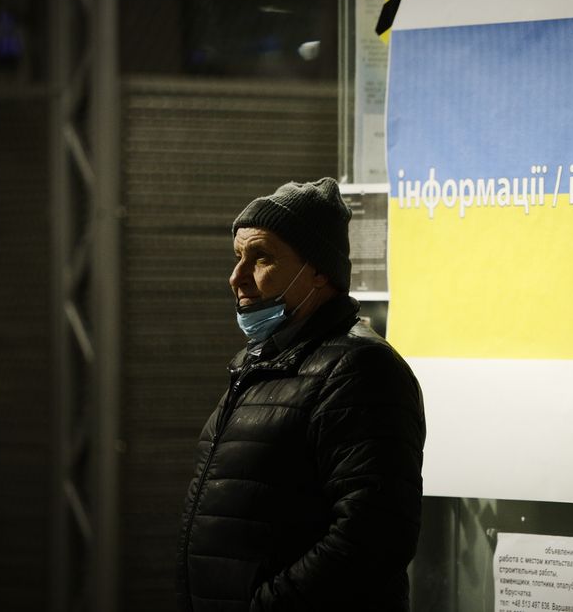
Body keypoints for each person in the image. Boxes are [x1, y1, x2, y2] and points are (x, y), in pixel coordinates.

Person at [176, 178, 425, 611]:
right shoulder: (262, 365)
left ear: (318, 270)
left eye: (261, 258)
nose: (237, 277)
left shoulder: (358, 369)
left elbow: (373, 535)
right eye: (238, 258)